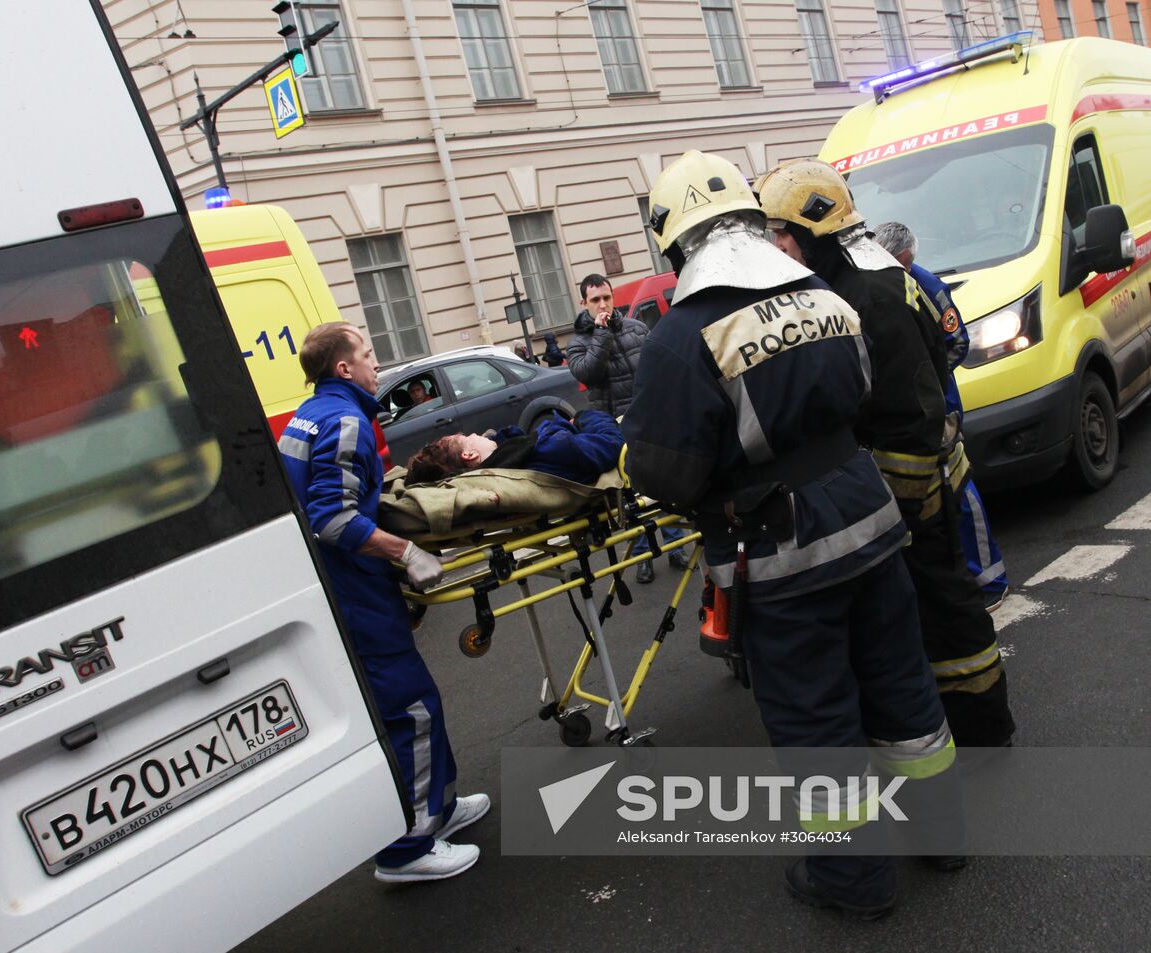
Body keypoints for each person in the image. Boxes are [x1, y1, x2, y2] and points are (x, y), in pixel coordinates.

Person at [625, 150, 963, 918]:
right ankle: (944, 834)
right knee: (903, 687)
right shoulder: (821, 294)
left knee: (817, 720)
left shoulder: (683, 336)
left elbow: (664, 472)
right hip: (868, 518)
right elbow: (864, 390)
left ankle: (853, 882)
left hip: (780, 552)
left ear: (678, 240)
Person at [756, 159, 1015, 750]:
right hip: (920, 479)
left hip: (916, 486)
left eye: (780, 233)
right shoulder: (866, 273)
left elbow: (907, 410)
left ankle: (983, 730)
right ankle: (969, 724)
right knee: (932, 611)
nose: (776, 247)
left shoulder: (866, 293)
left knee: (946, 612)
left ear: (812, 228)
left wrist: (903, 499)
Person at [278, 322, 490, 884]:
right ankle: (406, 849)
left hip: (339, 586)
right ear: (343, 368)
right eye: (368, 355)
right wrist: (407, 553)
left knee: (413, 705)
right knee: (410, 709)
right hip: (353, 590)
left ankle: (436, 811)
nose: (377, 363)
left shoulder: (312, 415)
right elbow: (331, 518)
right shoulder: (346, 420)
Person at [873, 221, 1010, 611]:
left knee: (960, 492)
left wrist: (924, 382)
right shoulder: (879, 285)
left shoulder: (927, 286)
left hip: (941, 411)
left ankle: (990, 580)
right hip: (906, 417)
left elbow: (958, 343)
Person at [566, 273, 684, 583]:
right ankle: (643, 556)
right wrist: (602, 334)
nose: (603, 304)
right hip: (614, 428)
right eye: (595, 300)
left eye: (606, 297)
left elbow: (656, 367)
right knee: (630, 495)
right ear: (584, 303)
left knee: (662, 483)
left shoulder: (636, 328)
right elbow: (588, 374)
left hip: (648, 417)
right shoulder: (578, 342)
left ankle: (676, 545)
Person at [404, 408, 624, 485]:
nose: (476, 434)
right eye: (468, 436)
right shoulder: (548, 448)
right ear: (470, 454)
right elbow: (614, 441)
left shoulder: (512, 462)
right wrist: (583, 416)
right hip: (605, 439)